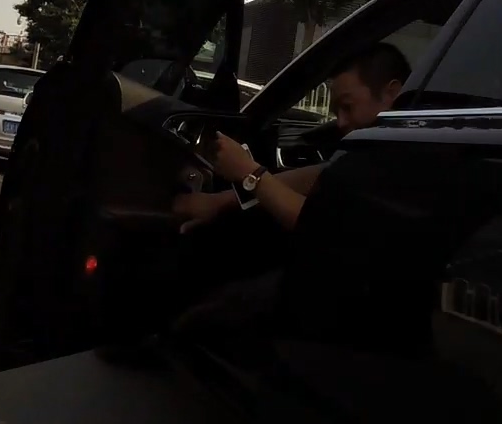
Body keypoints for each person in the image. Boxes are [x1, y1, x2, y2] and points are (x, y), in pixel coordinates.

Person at [166, 42, 411, 335]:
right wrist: (220, 201)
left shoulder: (408, 156)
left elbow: (322, 228)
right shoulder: (372, 149)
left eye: (348, 107)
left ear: (391, 93)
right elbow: (320, 175)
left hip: (362, 305)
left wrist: (249, 172)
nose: (341, 123)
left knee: (202, 324)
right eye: (337, 111)